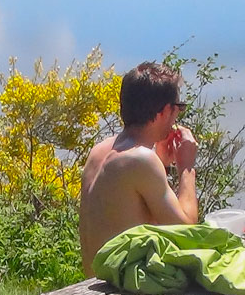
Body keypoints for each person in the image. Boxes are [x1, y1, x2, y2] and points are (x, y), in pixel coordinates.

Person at [78, 61, 198, 275]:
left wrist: (162, 162)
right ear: (164, 111)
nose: (177, 116)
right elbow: (186, 230)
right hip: (119, 292)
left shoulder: (99, 151)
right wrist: (186, 167)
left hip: (95, 283)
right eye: (178, 108)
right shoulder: (141, 159)